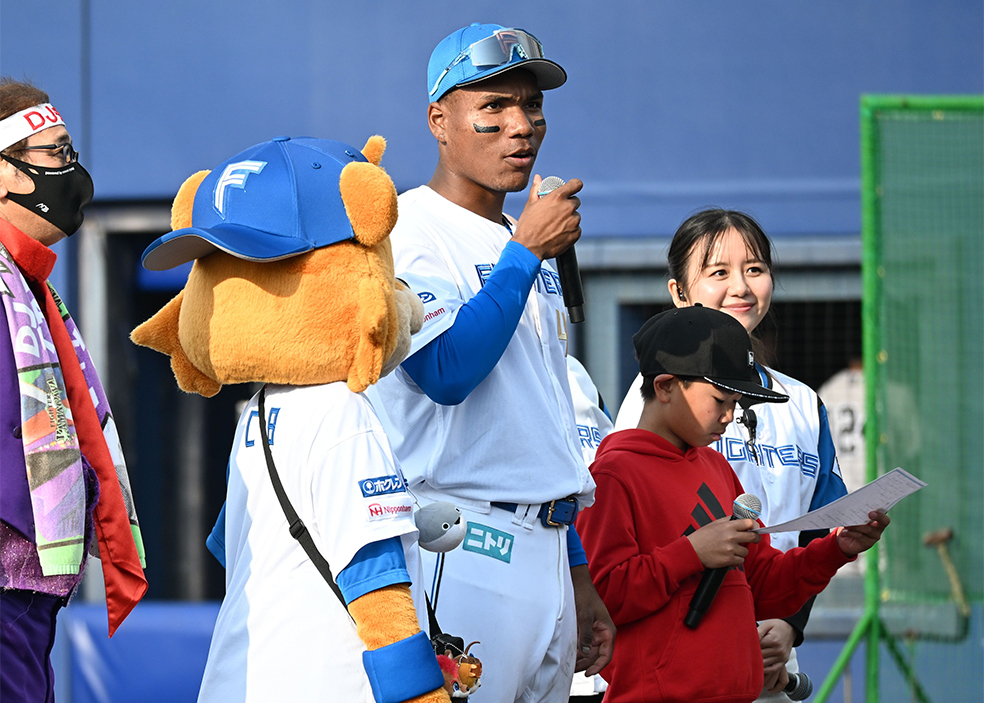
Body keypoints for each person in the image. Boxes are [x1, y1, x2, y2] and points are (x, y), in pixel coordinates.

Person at [368, 23, 614, 703]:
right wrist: (525, 253)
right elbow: (445, 373)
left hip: (547, 542)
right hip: (461, 540)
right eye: (494, 107)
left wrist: (576, 570)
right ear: (439, 121)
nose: (521, 126)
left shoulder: (519, 237)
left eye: (532, 106)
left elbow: (539, 422)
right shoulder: (407, 229)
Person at [577, 305, 890, 703]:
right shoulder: (613, 474)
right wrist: (691, 553)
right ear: (665, 386)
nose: (729, 416)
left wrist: (835, 549)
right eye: (720, 399)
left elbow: (763, 584)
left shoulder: (716, 467)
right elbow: (602, 598)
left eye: (737, 403)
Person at [613, 209, 848, 698]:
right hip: (681, 652)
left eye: (755, 269)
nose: (740, 287)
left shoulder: (804, 402)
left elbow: (820, 523)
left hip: (772, 643)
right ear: (680, 292)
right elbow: (632, 559)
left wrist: (789, 625)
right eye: (718, 272)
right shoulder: (657, 399)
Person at [0, 78, 147, 701]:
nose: (73, 172)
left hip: (27, 589)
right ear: (5, 173)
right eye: (56, 153)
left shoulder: (28, 284)